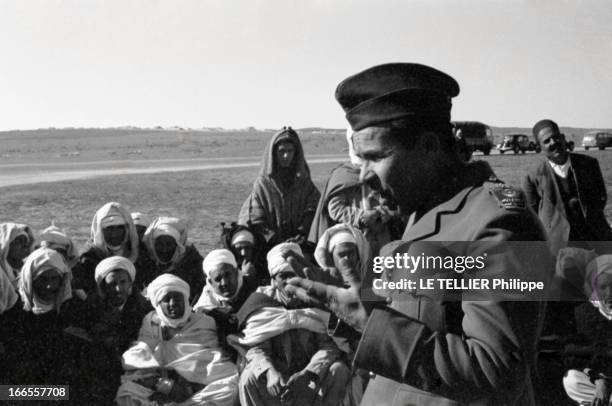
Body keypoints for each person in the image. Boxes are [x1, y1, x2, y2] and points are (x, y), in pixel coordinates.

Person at [285, 62, 550, 405]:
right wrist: (352, 301)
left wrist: (372, 325)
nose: (362, 175)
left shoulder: (501, 222)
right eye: (359, 159)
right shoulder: (417, 211)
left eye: (375, 157)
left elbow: (497, 371)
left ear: (428, 147)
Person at [237, 242, 350, 406]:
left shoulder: (315, 300)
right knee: (248, 377)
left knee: (339, 371)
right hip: (277, 384)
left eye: (293, 275)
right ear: (274, 281)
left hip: (311, 380)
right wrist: (269, 372)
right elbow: (255, 349)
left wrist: (309, 373)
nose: (291, 281)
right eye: (283, 276)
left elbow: (330, 346)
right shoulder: (261, 304)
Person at [116, 273, 239, 406]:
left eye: (177, 298)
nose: (173, 303)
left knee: (231, 386)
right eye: (167, 299)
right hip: (159, 383)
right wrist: (164, 386)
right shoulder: (151, 322)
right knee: (127, 392)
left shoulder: (203, 322)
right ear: (158, 304)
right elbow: (138, 360)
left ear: (186, 299)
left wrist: (189, 386)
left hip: (196, 390)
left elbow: (211, 363)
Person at [522, 119, 612, 257]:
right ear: (539, 146)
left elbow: (601, 197)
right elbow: (532, 214)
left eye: (556, 137)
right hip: (559, 250)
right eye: (547, 141)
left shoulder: (589, 164)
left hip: (596, 241)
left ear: (563, 138)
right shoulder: (533, 177)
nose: (553, 143)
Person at [70, 256, 152, 405]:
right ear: (102, 286)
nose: (119, 289)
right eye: (112, 283)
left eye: (123, 282)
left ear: (131, 284)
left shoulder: (145, 310)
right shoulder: (86, 310)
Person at [309, 129, 404, 256]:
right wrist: (361, 217)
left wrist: (381, 214)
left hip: (383, 235)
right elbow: (335, 208)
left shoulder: (382, 169)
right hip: (356, 238)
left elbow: (395, 202)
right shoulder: (342, 174)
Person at [238, 126, 321, 247]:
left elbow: (313, 211)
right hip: (270, 246)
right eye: (282, 151)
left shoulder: (304, 182)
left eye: (290, 151)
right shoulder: (262, 185)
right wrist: (274, 239)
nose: (286, 156)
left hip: (301, 244)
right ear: (274, 154)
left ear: (296, 153)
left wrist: (302, 233)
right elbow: (256, 219)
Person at [10, 247, 80, 389]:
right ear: (31, 279)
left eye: (54, 279)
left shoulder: (73, 306)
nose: (49, 286)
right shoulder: (14, 307)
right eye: (43, 279)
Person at [562, 254, 612, 406]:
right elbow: (579, 353)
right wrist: (599, 379)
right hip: (604, 376)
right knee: (572, 380)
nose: (609, 294)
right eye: (603, 287)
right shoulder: (585, 313)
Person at [72, 202, 140, 296]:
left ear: (127, 229)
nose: (115, 234)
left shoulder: (136, 252)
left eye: (119, 228)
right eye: (110, 229)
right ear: (100, 231)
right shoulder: (88, 258)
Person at [138, 216, 205, 303]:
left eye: (169, 244)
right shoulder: (144, 261)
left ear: (177, 246)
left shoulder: (191, 262)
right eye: (159, 244)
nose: (164, 249)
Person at [194, 249, 258, 340]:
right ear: (210, 282)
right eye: (218, 279)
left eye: (228, 275)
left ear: (236, 273)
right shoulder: (203, 308)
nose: (224, 283)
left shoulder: (255, 289)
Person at [0, 222, 36, 289]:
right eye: (18, 241)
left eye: (26, 242)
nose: (25, 247)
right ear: (5, 245)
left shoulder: (21, 272)